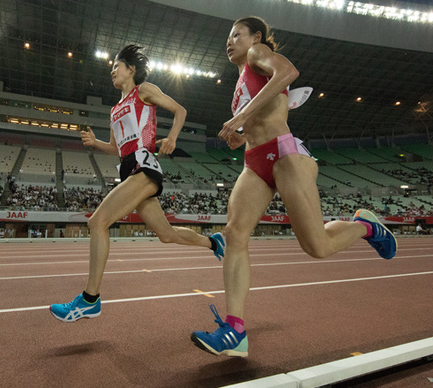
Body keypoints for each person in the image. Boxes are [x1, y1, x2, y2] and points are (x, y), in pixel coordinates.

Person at [190, 17, 398, 357]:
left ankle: (365, 226)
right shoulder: (241, 77)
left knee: (317, 246)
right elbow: (257, 119)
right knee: (234, 234)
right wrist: (238, 135)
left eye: (236, 34)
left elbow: (288, 74)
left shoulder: (259, 53)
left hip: (285, 155)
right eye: (227, 37)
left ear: (255, 37)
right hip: (254, 161)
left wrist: (240, 116)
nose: (229, 41)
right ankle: (235, 330)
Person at [49, 44, 226, 322]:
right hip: (129, 167)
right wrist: (96, 144)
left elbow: (180, 110)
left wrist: (172, 138)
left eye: (116, 66)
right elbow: (117, 148)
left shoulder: (143, 91)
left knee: (97, 222)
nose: (112, 71)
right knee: (166, 234)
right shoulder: (115, 109)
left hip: (145, 166)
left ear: (131, 69)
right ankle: (213, 243)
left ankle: (89, 299)